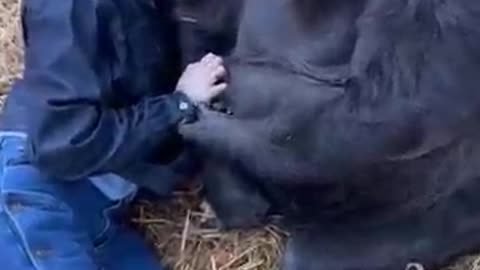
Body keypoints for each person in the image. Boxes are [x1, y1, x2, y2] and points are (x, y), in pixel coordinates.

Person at [0, 0, 228, 269]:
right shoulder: (70, 7)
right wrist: (179, 104)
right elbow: (62, 142)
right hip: (34, 196)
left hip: (98, 216)